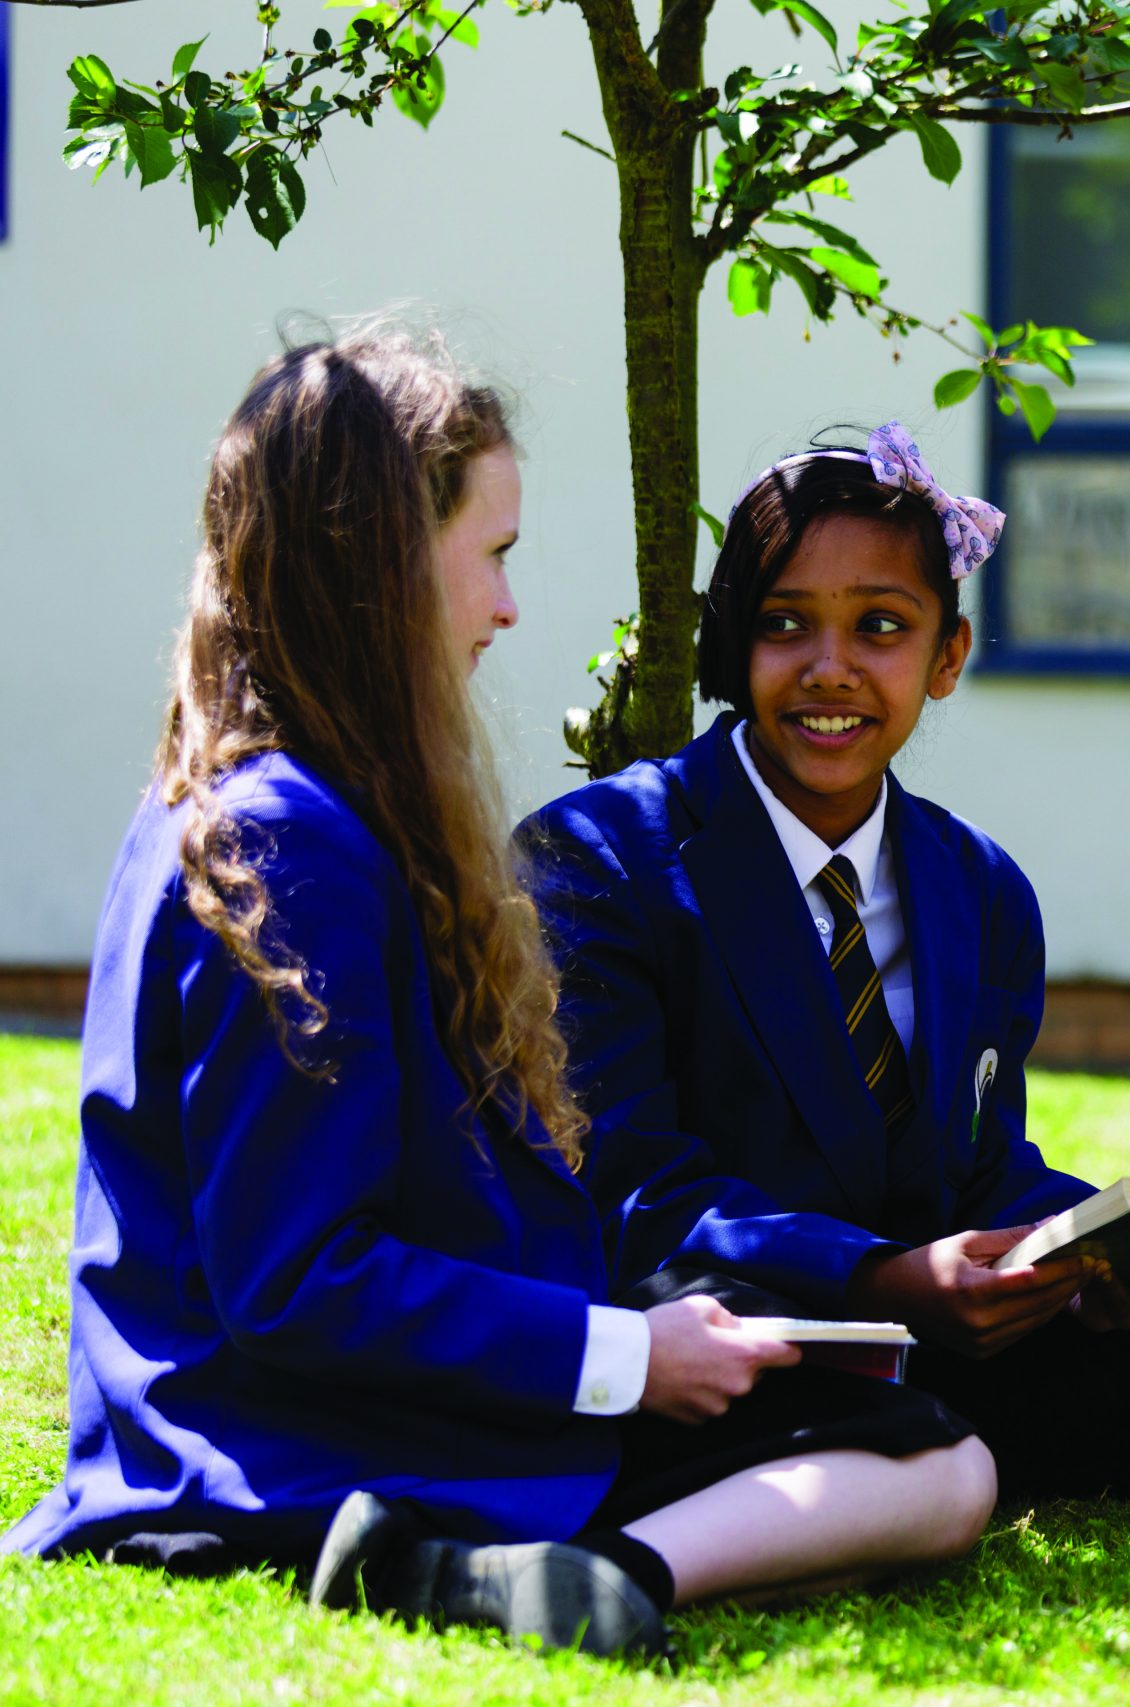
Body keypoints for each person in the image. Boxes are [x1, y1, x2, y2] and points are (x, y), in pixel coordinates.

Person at [2, 334, 997, 1658]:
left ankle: (552, 1555)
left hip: (343, 1403)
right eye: (497, 553)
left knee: (928, 1452)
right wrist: (625, 1357)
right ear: (383, 566)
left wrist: (638, 1332)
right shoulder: (289, 839)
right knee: (936, 1469)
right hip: (268, 1445)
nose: (509, 607)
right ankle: (570, 1573)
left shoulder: (267, 804)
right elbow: (298, 1277)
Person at [518, 426, 1130, 1501]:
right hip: (733, 1319)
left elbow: (978, 1163)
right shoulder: (595, 859)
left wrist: (1095, 1247)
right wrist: (882, 1280)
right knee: (743, 1358)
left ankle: (998, 1434)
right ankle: (1111, 1445)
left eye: (880, 627)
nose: (831, 669)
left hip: (942, 1324)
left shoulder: (981, 889)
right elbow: (626, 1192)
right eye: (784, 626)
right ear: (732, 645)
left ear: (945, 657)